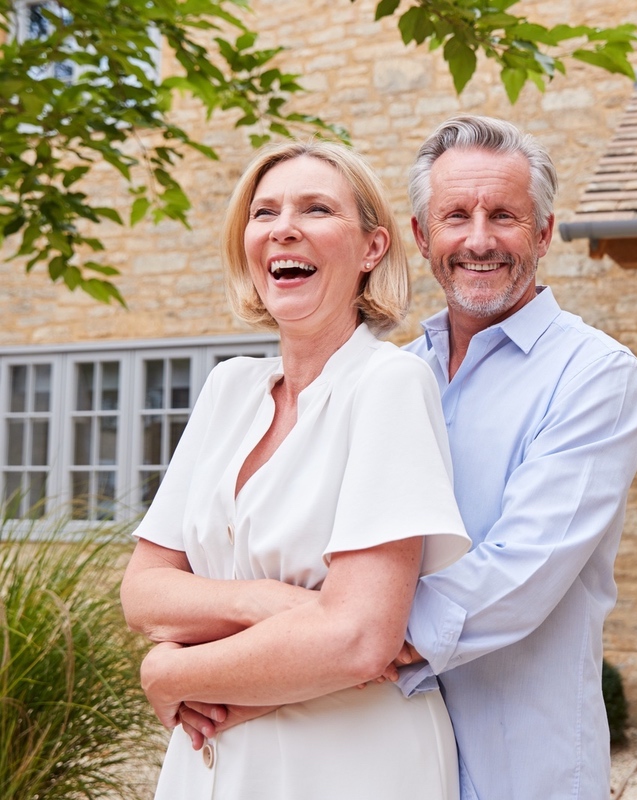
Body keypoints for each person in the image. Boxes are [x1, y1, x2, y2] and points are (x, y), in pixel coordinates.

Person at [119, 139, 471, 800]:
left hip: (350, 762)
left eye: (316, 209)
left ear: (371, 248)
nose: (284, 228)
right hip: (209, 759)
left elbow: (360, 639)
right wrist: (269, 603)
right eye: (265, 212)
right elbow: (143, 591)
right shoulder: (229, 389)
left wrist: (170, 674)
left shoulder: (389, 383)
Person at [397, 115, 637, 800]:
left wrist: (340, 646)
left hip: (522, 769)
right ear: (422, 237)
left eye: (504, 215)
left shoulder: (594, 374)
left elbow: (521, 572)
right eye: (455, 215)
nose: (479, 239)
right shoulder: (396, 376)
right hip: (387, 754)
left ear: (542, 233)